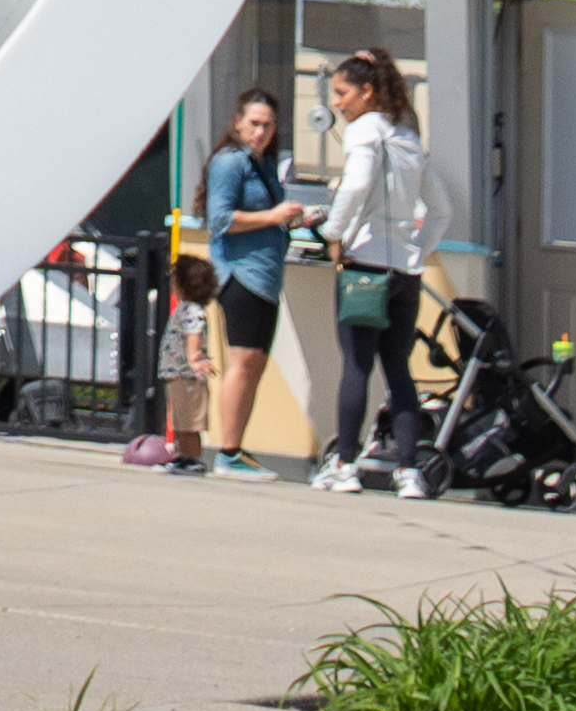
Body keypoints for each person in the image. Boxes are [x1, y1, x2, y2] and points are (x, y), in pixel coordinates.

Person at [125, 89, 301, 470]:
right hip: (241, 275)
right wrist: (273, 217)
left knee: (254, 363)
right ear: (237, 122)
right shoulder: (230, 162)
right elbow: (220, 220)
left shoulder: (263, 165)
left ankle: (236, 446)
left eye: (268, 126)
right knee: (242, 360)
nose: (261, 132)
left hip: (267, 276)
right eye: (254, 124)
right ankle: (228, 452)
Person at [314, 49, 437, 491]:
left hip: (366, 264)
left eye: (343, 94)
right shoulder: (406, 138)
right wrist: (415, 250)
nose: (337, 104)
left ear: (368, 92)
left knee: (357, 365)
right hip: (406, 271)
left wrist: (333, 231)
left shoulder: (365, 130)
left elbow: (359, 182)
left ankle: (345, 465)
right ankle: (410, 470)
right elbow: (441, 209)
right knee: (399, 370)